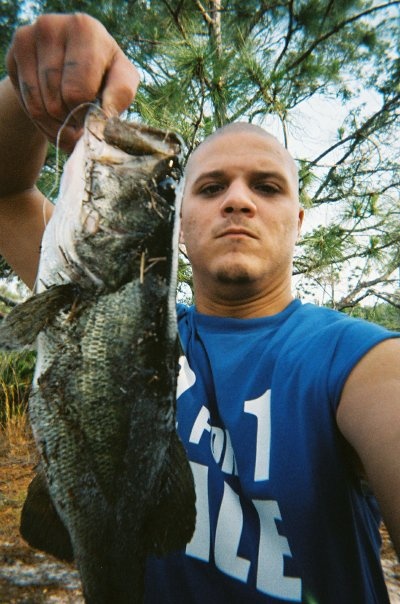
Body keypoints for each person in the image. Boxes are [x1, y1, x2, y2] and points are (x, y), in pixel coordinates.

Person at [0, 12, 399, 604]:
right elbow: (7, 188)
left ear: (297, 220)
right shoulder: (94, 297)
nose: (237, 200)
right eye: (209, 188)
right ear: (180, 227)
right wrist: (26, 88)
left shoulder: (359, 361)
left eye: (266, 187)